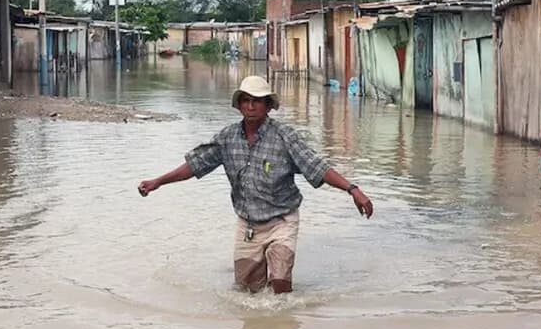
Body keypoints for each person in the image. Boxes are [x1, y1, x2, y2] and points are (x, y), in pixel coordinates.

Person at [137, 75, 373, 294]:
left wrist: (352, 189)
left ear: (268, 106)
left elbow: (317, 166)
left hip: (282, 220)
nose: (251, 106)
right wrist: (158, 181)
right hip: (247, 224)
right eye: (246, 101)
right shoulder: (227, 138)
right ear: (239, 105)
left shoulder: (284, 136)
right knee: (247, 291)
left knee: (280, 282)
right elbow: (195, 165)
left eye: (258, 101)